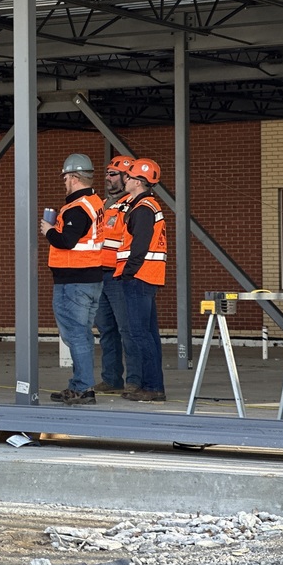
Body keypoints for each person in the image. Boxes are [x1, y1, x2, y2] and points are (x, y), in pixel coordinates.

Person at [40, 153, 105, 406]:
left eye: (66, 177)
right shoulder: (95, 202)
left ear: (75, 177)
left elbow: (66, 241)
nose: (64, 181)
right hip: (90, 279)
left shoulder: (77, 208)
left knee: (75, 335)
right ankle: (80, 384)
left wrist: (49, 231)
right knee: (83, 335)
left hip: (73, 282)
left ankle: (83, 388)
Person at [116, 158, 168, 403]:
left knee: (140, 334)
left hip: (138, 278)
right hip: (146, 277)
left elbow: (139, 247)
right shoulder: (146, 206)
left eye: (127, 176)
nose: (124, 180)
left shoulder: (143, 208)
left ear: (137, 181)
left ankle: (153, 386)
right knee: (148, 334)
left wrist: (128, 273)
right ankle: (154, 385)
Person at [92, 155, 140, 395]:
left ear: (126, 177)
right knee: (106, 331)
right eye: (107, 174)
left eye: (113, 174)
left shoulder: (133, 204)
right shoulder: (102, 205)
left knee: (127, 330)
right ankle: (111, 379)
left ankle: (134, 380)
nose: (107, 178)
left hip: (120, 276)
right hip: (100, 275)